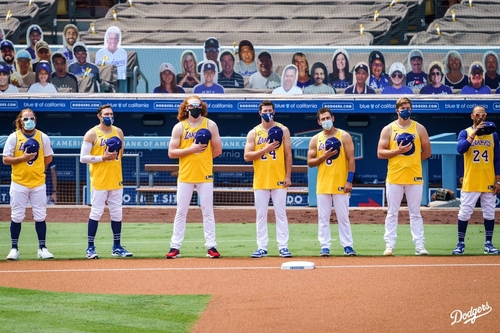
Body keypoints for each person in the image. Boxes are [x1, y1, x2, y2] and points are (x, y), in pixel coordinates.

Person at [166, 95, 223, 259]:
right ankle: (175, 246)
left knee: (207, 211)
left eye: (198, 105)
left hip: (204, 175)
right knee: (181, 211)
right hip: (185, 175)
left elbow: (218, 150)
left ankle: (211, 246)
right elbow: (171, 152)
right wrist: (191, 150)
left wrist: (203, 159)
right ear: (186, 108)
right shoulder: (180, 127)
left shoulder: (210, 125)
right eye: (191, 106)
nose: (195, 108)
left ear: (202, 107)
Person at [377, 97, 431, 256]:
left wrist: (412, 160)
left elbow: (427, 152)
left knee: (415, 212)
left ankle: (420, 245)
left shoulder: (419, 128)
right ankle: (389, 245)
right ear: (397, 110)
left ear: (411, 109)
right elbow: (380, 152)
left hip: (414, 176)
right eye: (402, 108)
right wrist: (397, 152)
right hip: (394, 176)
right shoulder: (389, 129)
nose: (405, 110)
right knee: (392, 212)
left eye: (408, 107)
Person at [79, 104, 132, 259]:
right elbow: (83, 158)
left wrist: (111, 159)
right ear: (99, 116)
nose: (109, 116)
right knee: (96, 212)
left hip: (116, 178)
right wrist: (102, 157)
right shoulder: (92, 134)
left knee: (117, 212)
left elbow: (120, 154)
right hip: (99, 180)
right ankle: (90, 247)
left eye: (111, 113)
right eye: (106, 114)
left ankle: (117, 246)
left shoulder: (118, 132)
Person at [2, 108, 54, 260]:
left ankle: (42, 248)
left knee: (40, 216)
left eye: (31, 118)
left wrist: (36, 168)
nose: (29, 121)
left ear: (35, 120)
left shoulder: (42, 137)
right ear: (20, 121)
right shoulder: (14, 137)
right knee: (17, 216)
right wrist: (22, 159)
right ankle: (14, 248)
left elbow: (48, 158)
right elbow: (6, 159)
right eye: (25, 119)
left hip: (38, 182)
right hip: (19, 182)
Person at [244, 100, 293, 258]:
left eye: (270, 110)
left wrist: (288, 176)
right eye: (265, 110)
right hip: (261, 179)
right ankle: (262, 246)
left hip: (278, 177)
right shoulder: (254, 132)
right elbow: (247, 156)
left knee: (281, 213)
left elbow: (288, 154)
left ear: (274, 112)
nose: (268, 113)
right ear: (260, 113)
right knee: (261, 214)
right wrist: (265, 149)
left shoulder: (283, 129)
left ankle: (283, 246)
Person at [307, 107, 356, 256]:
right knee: (323, 217)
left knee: (343, 216)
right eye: (323, 119)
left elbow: (351, 159)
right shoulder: (315, 139)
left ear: (333, 118)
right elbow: (310, 162)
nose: (326, 121)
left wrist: (349, 181)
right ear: (319, 121)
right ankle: (325, 246)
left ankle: (347, 246)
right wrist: (323, 157)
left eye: (328, 118)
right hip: (323, 183)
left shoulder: (344, 135)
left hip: (341, 182)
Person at [452, 106, 500, 255]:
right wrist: (474, 133)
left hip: (489, 179)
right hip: (471, 179)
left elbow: (497, 158)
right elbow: (461, 149)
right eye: (477, 114)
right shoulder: (465, 132)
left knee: (489, 213)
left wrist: (498, 181)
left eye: (483, 114)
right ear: (472, 116)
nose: (480, 116)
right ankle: (460, 243)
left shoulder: (493, 135)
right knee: (465, 212)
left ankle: (488, 243)